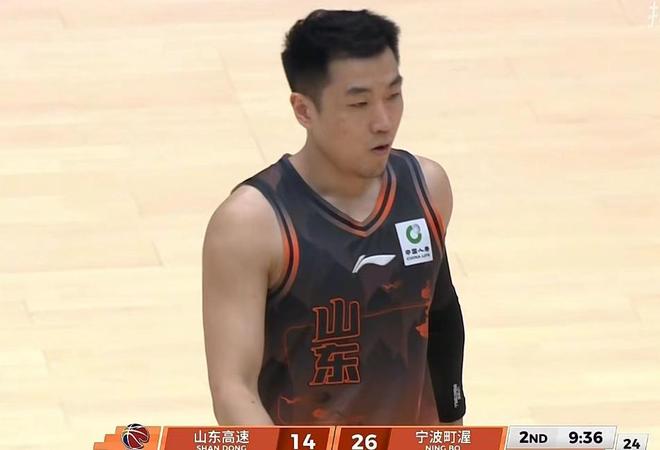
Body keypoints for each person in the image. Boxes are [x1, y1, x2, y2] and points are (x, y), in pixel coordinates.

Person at [202, 8, 466, 426]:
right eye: (359, 103)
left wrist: (452, 430)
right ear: (304, 110)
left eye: (393, 95)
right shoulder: (251, 225)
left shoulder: (427, 188)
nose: (383, 121)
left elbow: (440, 315)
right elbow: (233, 389)